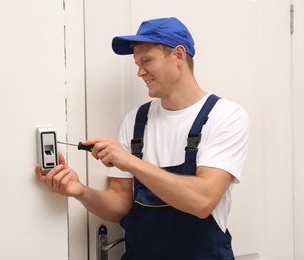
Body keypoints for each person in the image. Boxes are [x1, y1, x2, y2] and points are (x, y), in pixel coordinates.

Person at [35, 17, 250, 259]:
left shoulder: (226, 116)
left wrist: (130, 162)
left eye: (147, 61)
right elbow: (120, 204)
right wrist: (80, 191)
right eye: (137, 63)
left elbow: (203, 200)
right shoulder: (136, 121)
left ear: (178, 55)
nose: (140, 72)